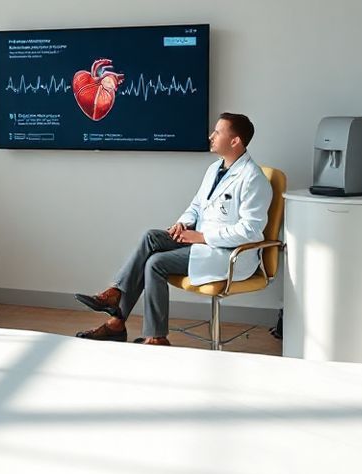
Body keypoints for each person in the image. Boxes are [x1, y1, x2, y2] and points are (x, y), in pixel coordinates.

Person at [74, 112, 272, 345]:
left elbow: (251, 231)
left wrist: (201, 236)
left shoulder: (253, 179)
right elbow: (197, 206)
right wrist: (184, 223)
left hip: (228, 255)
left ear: (235, 140)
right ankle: (116, 299)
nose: (211, 136)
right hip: (200, 241)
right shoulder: (214, 170)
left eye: (217, 132)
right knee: (151, 237)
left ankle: (146, 333)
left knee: (155, 263)